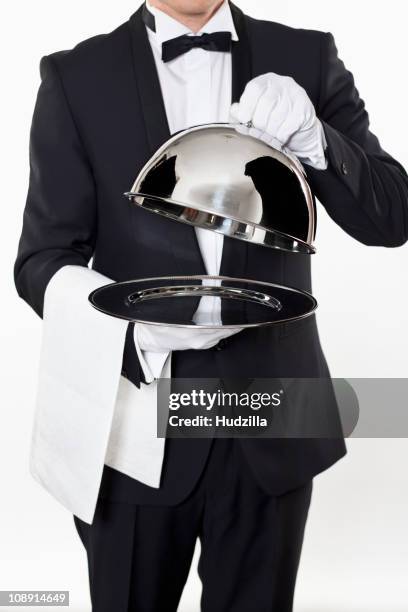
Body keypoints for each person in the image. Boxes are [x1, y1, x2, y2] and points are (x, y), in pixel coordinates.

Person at [14, 1, 408, 611]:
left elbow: (392, 217)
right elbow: (41, 259)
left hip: (272, 423)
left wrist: (317, 140)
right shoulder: (75, 76)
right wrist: (124, 331)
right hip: (136, 429)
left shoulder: (306, 56)